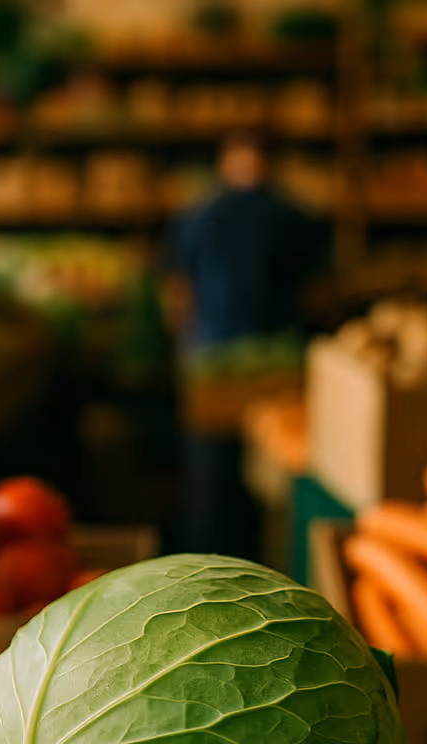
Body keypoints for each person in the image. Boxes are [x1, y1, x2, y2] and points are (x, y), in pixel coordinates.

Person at [163, 130, 328, 559]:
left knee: (210, 483)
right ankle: (270, 567)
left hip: (212, 362)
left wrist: (185, 345)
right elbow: (318, 291)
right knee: (275, 484)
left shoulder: (197, 215)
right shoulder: (296, 217)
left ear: (224, 164)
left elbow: (179, 294)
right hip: (277, 363)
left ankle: (204, 569)